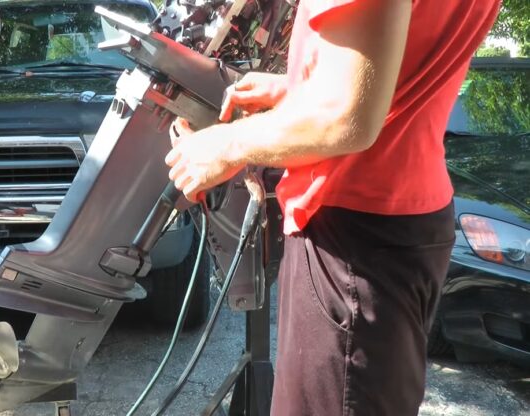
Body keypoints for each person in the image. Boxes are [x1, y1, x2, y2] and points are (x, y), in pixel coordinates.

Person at [165, 0, 501, 414]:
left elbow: (345, 119)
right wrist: (302, 88)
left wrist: (221, 146)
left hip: (350, 238)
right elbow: (403, 61)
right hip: (408, 222)